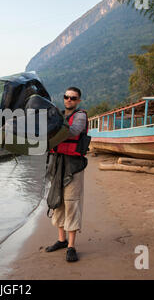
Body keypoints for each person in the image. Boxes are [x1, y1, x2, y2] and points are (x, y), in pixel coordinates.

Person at [45, 86, 88, 262]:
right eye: (67, 97)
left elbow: (73, 131)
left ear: (78, 101)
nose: (69, 100)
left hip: (73, 165)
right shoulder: (57, 116)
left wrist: (51, 127)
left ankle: (71, 246)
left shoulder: (80, 116)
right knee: (58, 201)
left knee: (71, 203)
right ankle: (61, 240)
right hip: (57, 164)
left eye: (73, 98)